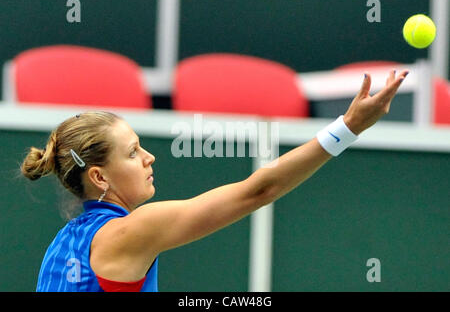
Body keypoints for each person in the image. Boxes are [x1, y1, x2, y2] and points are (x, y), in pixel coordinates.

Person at [21, 70, 408, 292]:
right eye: (133, 152)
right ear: (99, 176)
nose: (148, 157)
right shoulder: (130, 231)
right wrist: (348, 127)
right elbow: (259, 191)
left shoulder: (60, 246)